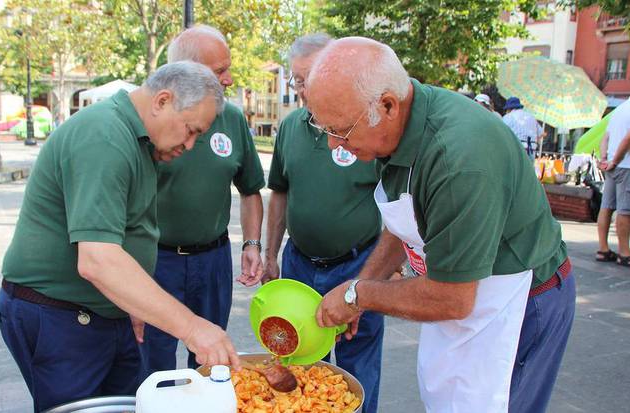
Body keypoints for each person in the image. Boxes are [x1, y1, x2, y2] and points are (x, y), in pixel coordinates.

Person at [306, 37, 575, 413]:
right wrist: (361, 293)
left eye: (342, 130)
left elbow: (452, 298)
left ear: (387, 106)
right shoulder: (393, 131)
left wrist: (359, 294)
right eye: (325, 128)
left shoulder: (458, 160)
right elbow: (405, 224)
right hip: (460, 288)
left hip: (517, 301)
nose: (336, 143)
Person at [0, 61, 241, 412]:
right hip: (60, 317)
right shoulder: (105, 136)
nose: (190, 145)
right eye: (190, 130)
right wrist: (192, 328)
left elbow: (127, 233)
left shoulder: (142, 142)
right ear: (162, 100)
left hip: (105, 313)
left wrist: (132, 300)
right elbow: (98, 260)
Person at [262, 33, 384, 413]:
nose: (302, 90)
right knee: (293, 364)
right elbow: (279, 192)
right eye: (297, 81)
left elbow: (400, 206)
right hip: (299, 266)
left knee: (356, 369)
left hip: (357, 266)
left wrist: (383, 274)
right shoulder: (290, 129)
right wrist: (269, 254)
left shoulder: (367, 128)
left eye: (309, 78)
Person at [138, 25, 265, 380]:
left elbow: (251, 188)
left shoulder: (233, 118)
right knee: (154, 361)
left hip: (212, 261)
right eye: (219, 70)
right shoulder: (152, 121)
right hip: (157, 261)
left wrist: (252, 243)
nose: (228, 78)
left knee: (211, 361)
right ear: (188, 72)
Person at [597, 99, 630, 266]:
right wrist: (616, 160)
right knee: (625, 210)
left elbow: (605, 137)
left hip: (611, 164)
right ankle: (625, 253)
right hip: (625, 165)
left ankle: (603, 249)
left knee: (606, 206)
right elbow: (628, 139)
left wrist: (605, 159)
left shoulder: (619, 110)